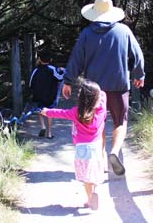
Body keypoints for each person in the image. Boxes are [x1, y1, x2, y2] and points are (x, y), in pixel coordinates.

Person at [62, 0, 145, 176]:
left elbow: (77, 59)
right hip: (118, 85)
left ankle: (101, 162)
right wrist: (139, 75)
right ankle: (114, 152)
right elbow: (137, 55)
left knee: (96, 124)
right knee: (120, 121)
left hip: (93, 88)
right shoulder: (123, 31)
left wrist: (68, 81)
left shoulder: (86, 34)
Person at [41, 79, 106, 210]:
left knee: (86, 176)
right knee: (95, 171)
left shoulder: (76, 112)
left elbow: (60, 113)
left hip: (81, 148)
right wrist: (98, 93)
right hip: (96, 147)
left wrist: (46, 111)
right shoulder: (100, 111)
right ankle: (95, 191)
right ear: (97, 98)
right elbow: (103, 95)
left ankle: (89, 198)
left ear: (81, 98)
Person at [28, 49, 64, 139]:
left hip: (39, 95)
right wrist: (62, 71)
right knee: (49, 112)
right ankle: (49, 133)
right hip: (50, 95)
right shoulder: (52, 69)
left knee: (40, 110)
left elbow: (30, 83)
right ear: (50, 59)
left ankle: (43, 126)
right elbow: (60, 77)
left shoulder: (36, 70)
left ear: (39, 59)